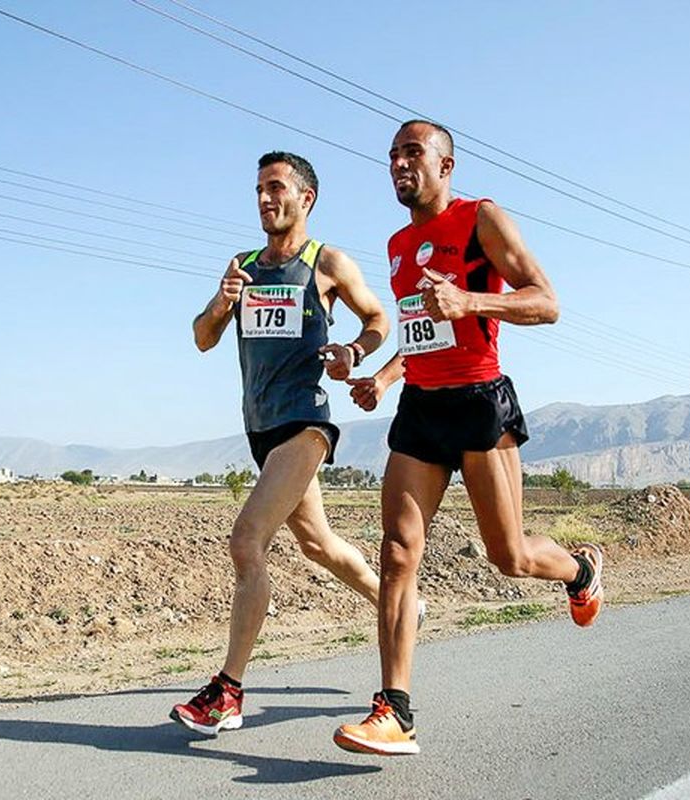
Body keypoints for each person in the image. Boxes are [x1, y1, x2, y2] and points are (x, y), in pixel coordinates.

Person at [332, 120, 604, 756]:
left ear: (446, 165)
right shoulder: (399, 243)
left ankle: (580, 568)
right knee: (399, 551)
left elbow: (547, 301)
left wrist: (472, 301)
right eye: (392, 155)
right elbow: (421, 330)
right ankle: (394, 709)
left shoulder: (481, 217)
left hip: (480, 404)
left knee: (508, 557)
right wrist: (383, 375)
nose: (399, 163)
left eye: (412, 153)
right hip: (421, 409)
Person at [170, 151, 393, 736]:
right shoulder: (242, 266)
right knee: (319, 545)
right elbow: (200, 338)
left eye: (276, 189)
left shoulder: (327, 263)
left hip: (306, 423)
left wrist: (354, 352)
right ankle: (397, 602)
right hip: (260, 428)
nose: (266, 199)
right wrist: (222, 303)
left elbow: (378, 319)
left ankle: (227, 692)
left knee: (247, 541)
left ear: (305, 199)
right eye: (259, 190)